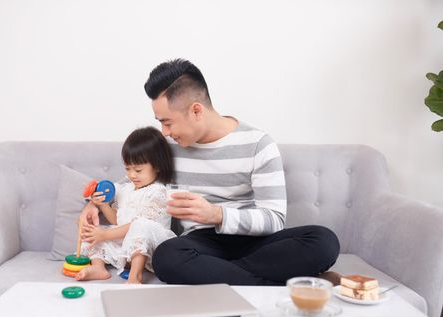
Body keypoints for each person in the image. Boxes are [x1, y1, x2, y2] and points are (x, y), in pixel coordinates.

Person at [81, 59, 341, 286]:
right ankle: (279, 281)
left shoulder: (258, 143)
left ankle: (230, 276)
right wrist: (96, 201)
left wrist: (216, 214)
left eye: (167, 122)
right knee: (166, 257)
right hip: (201, 245)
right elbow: (135, 179)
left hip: (254, 242)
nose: (164, 132)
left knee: (324, 241)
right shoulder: (169, 147)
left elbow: (274, 219)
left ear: (196, 110)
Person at [76, 126, 176, 284]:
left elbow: (138, 226)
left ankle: (134, 276)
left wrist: (105, 235)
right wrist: (103, 206)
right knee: (93, 235)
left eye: (138, 170)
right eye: (128, 169)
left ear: (157, 166)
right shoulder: (126, 190)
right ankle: (98, 267)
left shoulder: (158, 192)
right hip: (125, 244)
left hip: (151, 247)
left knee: (140, 226)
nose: (131, 175)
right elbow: (118, 221)